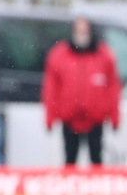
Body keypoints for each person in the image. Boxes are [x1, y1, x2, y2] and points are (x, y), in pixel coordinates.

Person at [42, 16, 121, 167]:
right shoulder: (59, 54)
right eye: (78, 31)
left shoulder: (104, 55)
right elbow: (51, 88)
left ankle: (97, 190)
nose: (81, 35)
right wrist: (50, 116)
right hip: (70, 118)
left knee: (96, 159)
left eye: (84, 31)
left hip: (95, 118)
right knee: (70, 159)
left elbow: (112, 88)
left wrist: (114, 117)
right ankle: (69, 189)